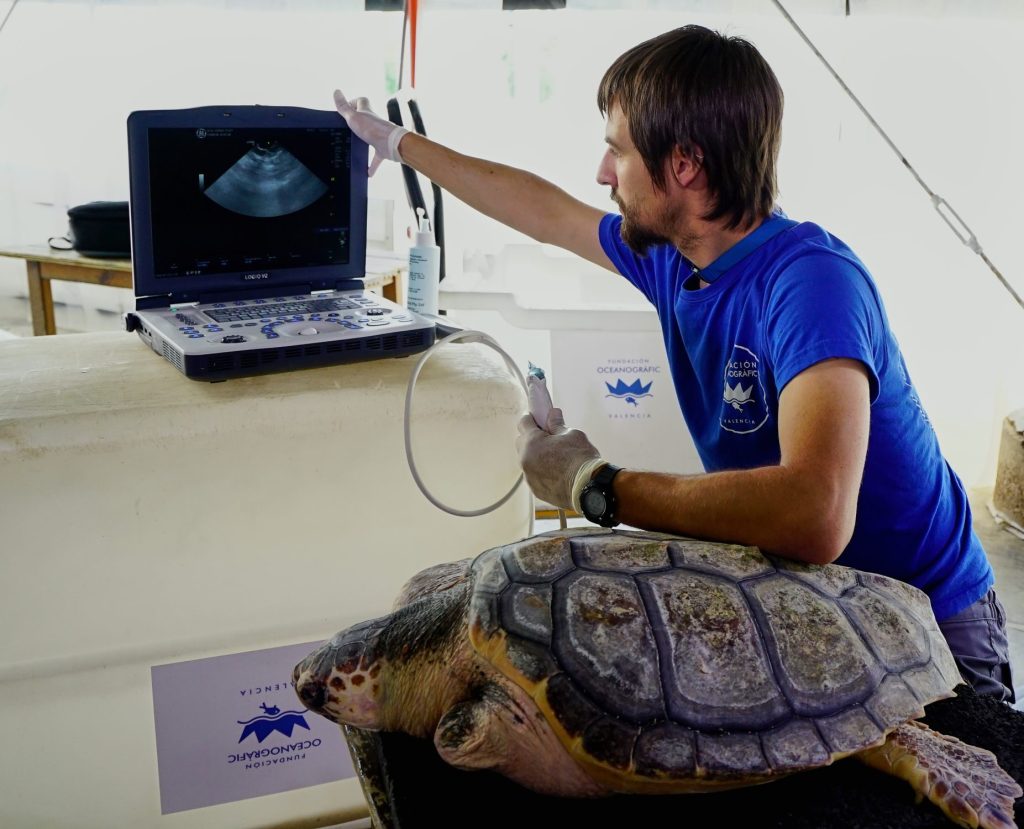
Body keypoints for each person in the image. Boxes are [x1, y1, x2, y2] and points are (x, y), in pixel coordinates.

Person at [333, 24, 1014, 701]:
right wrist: (397, 144)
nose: (603, 174)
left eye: (617, 152)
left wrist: (594, 484)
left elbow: (817, 513)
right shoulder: (673, 256)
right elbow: (542, 210)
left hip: (932, 626)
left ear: (683, 165)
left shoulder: (811, 282)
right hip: (824, 606)